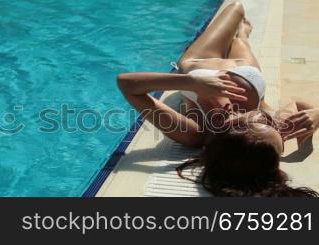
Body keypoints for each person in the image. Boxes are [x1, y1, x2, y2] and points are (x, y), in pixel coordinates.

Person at [117, 1, 319, 196]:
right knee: (240, 36)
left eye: (260, 120)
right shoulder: (267, 137)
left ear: (230, 130)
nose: (269, 119)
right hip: (248, 73)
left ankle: (239, 35)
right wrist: (315, 116)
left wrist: (191, 83)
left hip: (201, 61)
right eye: (271, 125)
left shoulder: (193, 133)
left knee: (236, 8)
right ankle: (243, 37)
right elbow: (300, 105)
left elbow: (127, 85)